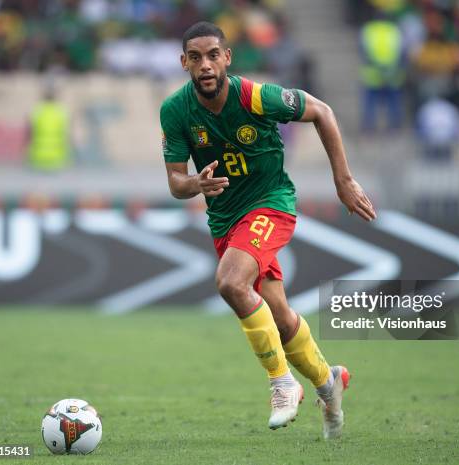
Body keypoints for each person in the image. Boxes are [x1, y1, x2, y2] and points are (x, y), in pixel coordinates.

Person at [160, 22, 376, 439]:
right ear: (184, 62)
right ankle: (329, 383)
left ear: (227, 58)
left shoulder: (255, 96)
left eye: (212, 55)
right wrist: (196, 185)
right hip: (225, 220)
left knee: (230, 282)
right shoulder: (175, 111)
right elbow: (175, 183)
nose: (205, 65)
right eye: (195, 57)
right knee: (278, 316)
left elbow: (322, 112)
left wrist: (343, 181)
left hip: (270, 203)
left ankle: (282, 383)